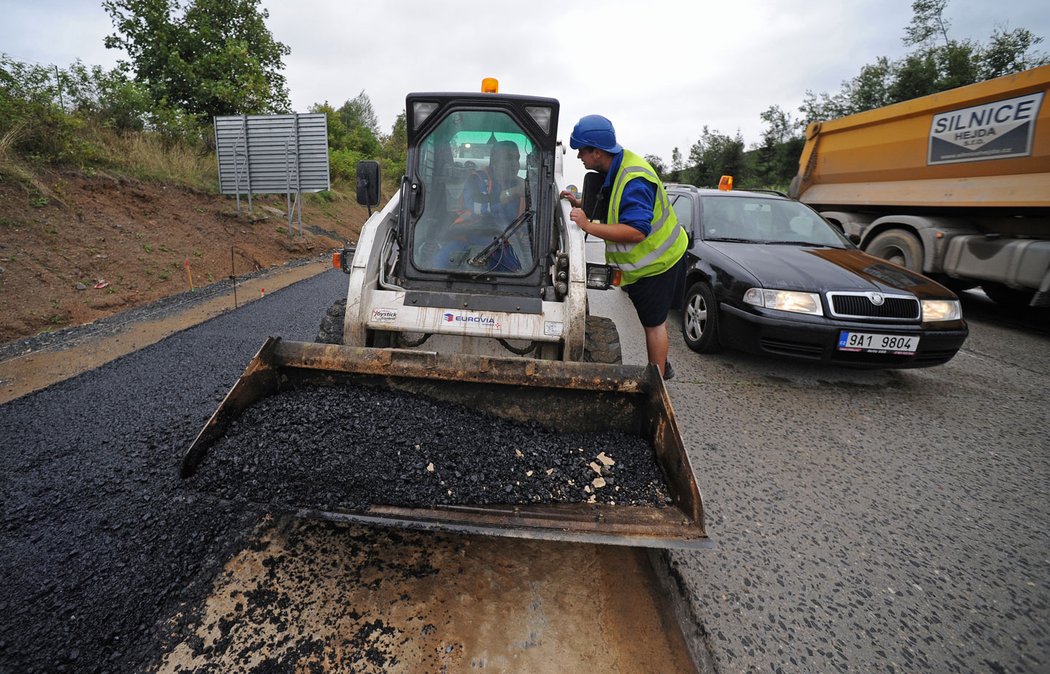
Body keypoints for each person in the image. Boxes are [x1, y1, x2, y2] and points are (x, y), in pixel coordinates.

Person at [559, 115, 687, 381]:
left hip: (658, 264)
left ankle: (656, 385)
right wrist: (580, 204)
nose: (580, 156)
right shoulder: (615, 170)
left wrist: (587, 226)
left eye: (582, 150)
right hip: (648, 265)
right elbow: (611, 208)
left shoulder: (633, 179)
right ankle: (663, 364)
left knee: (654, 326)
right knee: (652, 322)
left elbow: (637, 231)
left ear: (597, 151)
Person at [458, 140, 526, 225]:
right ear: (494, 161)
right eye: (509, 158)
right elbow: (477, 208)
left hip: (510, 237)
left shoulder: (521, 185)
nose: (515, 163)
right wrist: (513, 193)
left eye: (517, 159)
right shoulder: (476, 179)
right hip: (474, 235)